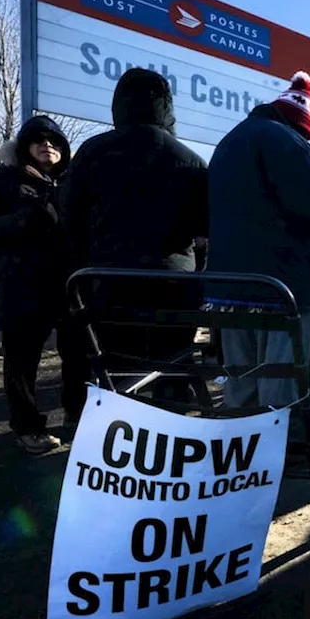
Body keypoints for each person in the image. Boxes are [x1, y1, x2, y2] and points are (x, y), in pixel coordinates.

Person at [60, 68, 208, 392]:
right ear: (167, 107)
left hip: (108, 280)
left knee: (115, 370)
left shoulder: (91, 152)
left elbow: (68, 215)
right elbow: (205, 226)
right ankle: (174, 435)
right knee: (173, 365)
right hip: (173, 284)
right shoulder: (191, 160)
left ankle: (115, 437)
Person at [206, 71, 310, 408]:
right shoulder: (286, 141)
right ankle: (280, 452)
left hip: (227, 286)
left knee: (240, 378)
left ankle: (237, 450)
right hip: (280, 286)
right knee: (279, 379)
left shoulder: (229, 141)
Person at [0, 115, 85, 454]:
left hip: (70, 285)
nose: (48, 145)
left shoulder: (73, 183)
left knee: (78, 355)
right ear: (23, 146)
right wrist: (25, 217)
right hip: (22, 284)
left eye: (55, 141)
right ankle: (28, 426)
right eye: (39, 139)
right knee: (21, 361)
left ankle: (77, 415)